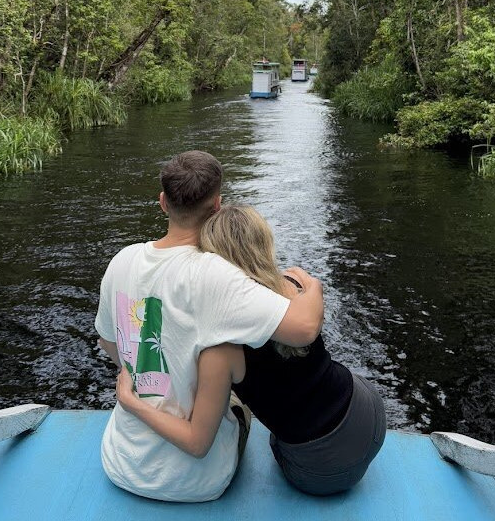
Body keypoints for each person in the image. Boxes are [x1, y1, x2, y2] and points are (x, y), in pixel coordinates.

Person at [95, 151, 324, 503]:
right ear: (217, 205)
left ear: (162, 203)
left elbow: (108, 341)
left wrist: (145, 384)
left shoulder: (121, 260)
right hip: (195, 482)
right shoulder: (217, 275)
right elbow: (305, 328)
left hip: (120, 462)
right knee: (235, 390)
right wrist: (312, 286)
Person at [116, 204, 386, 496]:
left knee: (264, 433)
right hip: (369, 415)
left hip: (320, 469)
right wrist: (315, 287)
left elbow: (197, 442)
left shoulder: (221, 344)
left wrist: (131, 402)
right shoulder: (293, 285)